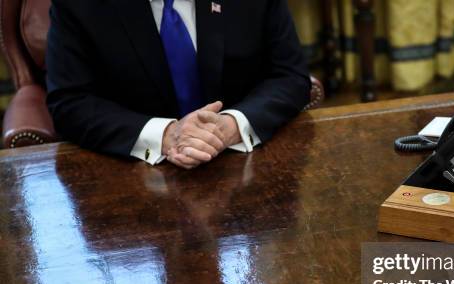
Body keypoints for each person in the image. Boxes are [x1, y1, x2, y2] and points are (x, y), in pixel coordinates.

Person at [46, 0, 311, 169]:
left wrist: (230, 126)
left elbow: (289, 76)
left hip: (242, 163)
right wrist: (166, 135)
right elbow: (70, 101)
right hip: (131, 174)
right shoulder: (78, 5)